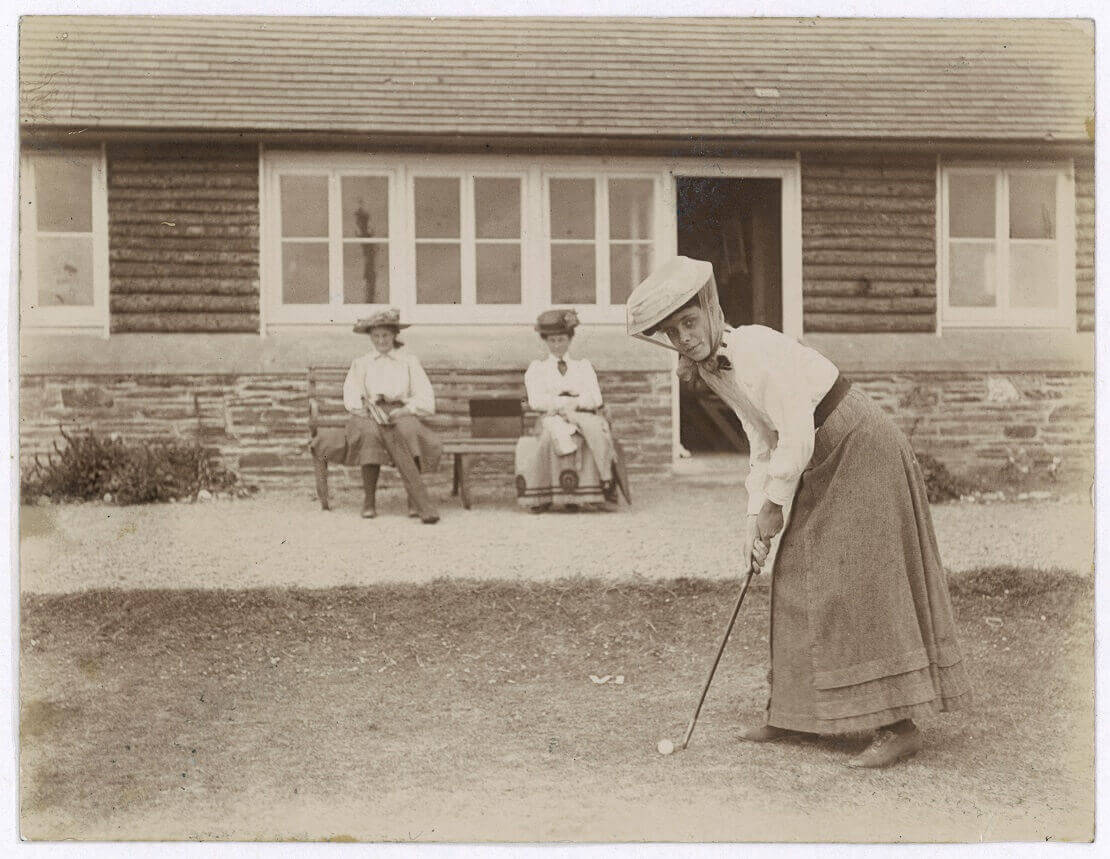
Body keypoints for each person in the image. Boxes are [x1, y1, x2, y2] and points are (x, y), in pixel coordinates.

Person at [626, 256, 970, 768]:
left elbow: (797, 433)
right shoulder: (715, 368)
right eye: (673, 333)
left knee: (855, 578)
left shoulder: (758, 349)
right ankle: (796, 713)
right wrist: (753, 517)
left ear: (711, 310)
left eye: (690, 322)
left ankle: (899, 726)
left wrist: (773, 506)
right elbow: (762, 442)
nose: (685, 338)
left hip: (858, 443)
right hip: (815, 449)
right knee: (795, 573)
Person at [335, 307, 442, 523]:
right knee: (369, 434)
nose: (381, 340)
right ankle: (369, 500)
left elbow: (424, 396)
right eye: (376, 336)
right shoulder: (362, 363)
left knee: (409, 431)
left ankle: (415, 500)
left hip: (399, 411)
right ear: (370, 338)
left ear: (394, 335)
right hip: (369, 413)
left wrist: (406, 409)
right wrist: (365, 409)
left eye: (385, 335)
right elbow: (351, 393)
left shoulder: (408, 362)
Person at [515, 309, 621, 512]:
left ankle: (591, 491)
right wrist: (560, 405)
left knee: (591, 433)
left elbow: (595, 397)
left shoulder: (583, 367)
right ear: (545, 341)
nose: (557, 345)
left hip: (581, 414)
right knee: (550, 438)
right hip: (551, 416)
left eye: (561, 340)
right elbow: (536, 401)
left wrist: (576, 403)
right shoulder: (538, 369)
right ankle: (547, 495)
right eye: (552, 340)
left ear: (570, 339)